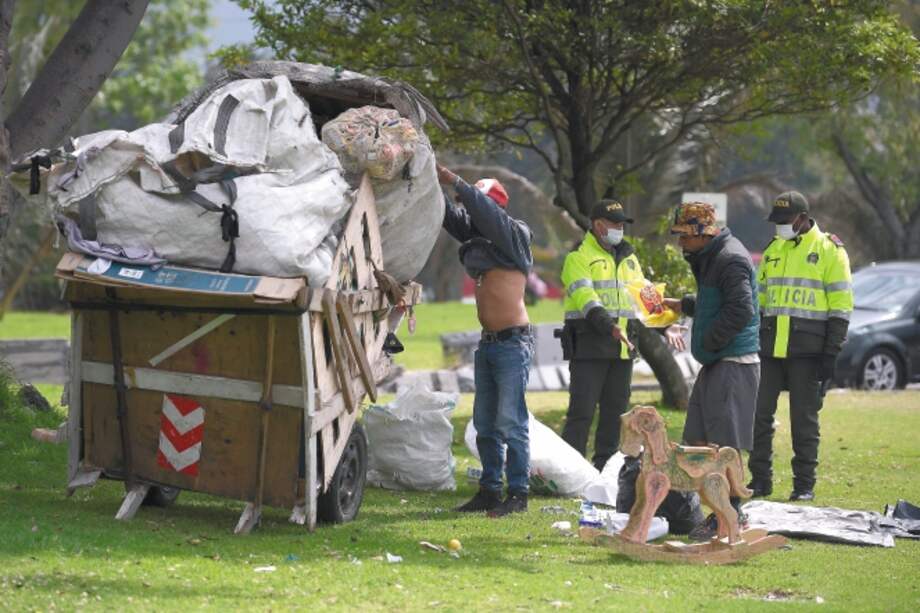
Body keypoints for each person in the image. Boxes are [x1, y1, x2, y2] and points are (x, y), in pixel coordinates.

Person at [437, 164, 535, 517]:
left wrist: (454, 179)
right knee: (486, 423)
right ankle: (490, 490)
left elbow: (485, 213)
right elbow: (452, 216)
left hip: (513, 344)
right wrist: (428, 181)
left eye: (474, 204)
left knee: (511, 421)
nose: (469, 212)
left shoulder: (513, 236)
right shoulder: (480, 239)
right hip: (490, 343)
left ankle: (518, 493)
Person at [663, 202, 760, 541]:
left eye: (685, 237)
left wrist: (710, 340)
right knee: (701, 441)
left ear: (704, 233)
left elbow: (741, 310)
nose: (681, 244)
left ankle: (732, 515)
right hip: (717, 361)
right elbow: (714, 303)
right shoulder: (711, 258)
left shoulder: (729, 258)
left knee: (724, 447)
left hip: (732, 362)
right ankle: (718, 514)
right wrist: (684, 305)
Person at [747, 191, 853, 502]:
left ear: (803, 219)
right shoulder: (773, 250)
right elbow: (760, 300)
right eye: (776, 221)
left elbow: (841, 306)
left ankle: (803, 485)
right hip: (770, 350)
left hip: (809, 353)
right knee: (759, 417)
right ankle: (760, 480)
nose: (779, 227)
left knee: (804, 422)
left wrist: (831, 353)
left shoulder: (830, 250)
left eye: (785, 221)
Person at [559, 199, 643, 471]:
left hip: (622, 349)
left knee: (615, 415)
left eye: (622, 223)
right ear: (597, 225)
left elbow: (643, 298)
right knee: (581, 413)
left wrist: (667, 325)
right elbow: (587, 300)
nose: (620, 228)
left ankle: (605, 472)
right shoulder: (578, 258)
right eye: (615, 223)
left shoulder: (629, 259)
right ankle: (571, 472)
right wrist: (610, 327)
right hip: (589, 347)